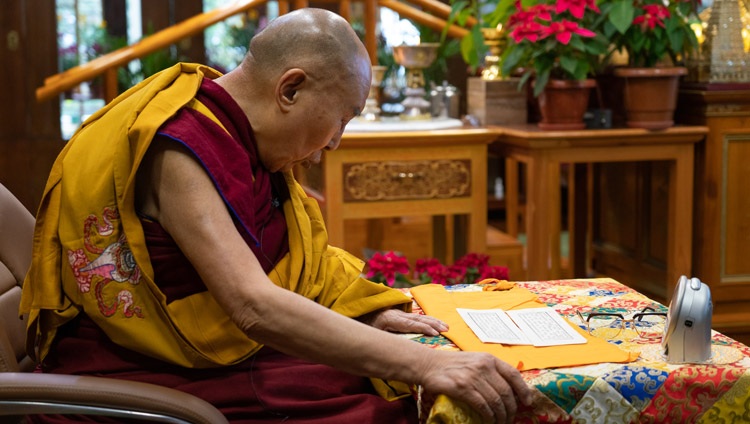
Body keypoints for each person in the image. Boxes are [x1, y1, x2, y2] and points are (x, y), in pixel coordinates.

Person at [20, 8, 533, 423]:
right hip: (150, 369)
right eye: (340, 119)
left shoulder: (240, 138)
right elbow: (252, 304)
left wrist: (364, 312)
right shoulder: (180, 146)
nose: (334, 142)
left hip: (222, 353)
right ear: (290, 89)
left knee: (381, 380)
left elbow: (289, 260)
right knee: (383, 405)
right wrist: (426, 363)